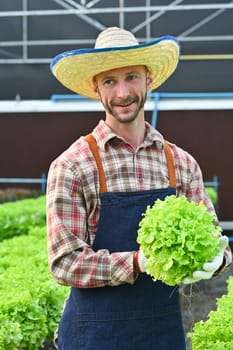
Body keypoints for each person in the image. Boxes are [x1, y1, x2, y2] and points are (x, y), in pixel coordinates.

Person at [47, 27, 232, 350]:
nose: (122, 93)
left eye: (132, 77)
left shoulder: (181, 163)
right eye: (109, 81)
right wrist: (138, 262)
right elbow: (64, 262)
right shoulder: (73, 165)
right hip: (93, 336)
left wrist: (217, 259)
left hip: (162, 334)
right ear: (96, 88)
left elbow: (215, 239)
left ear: (149, 79)